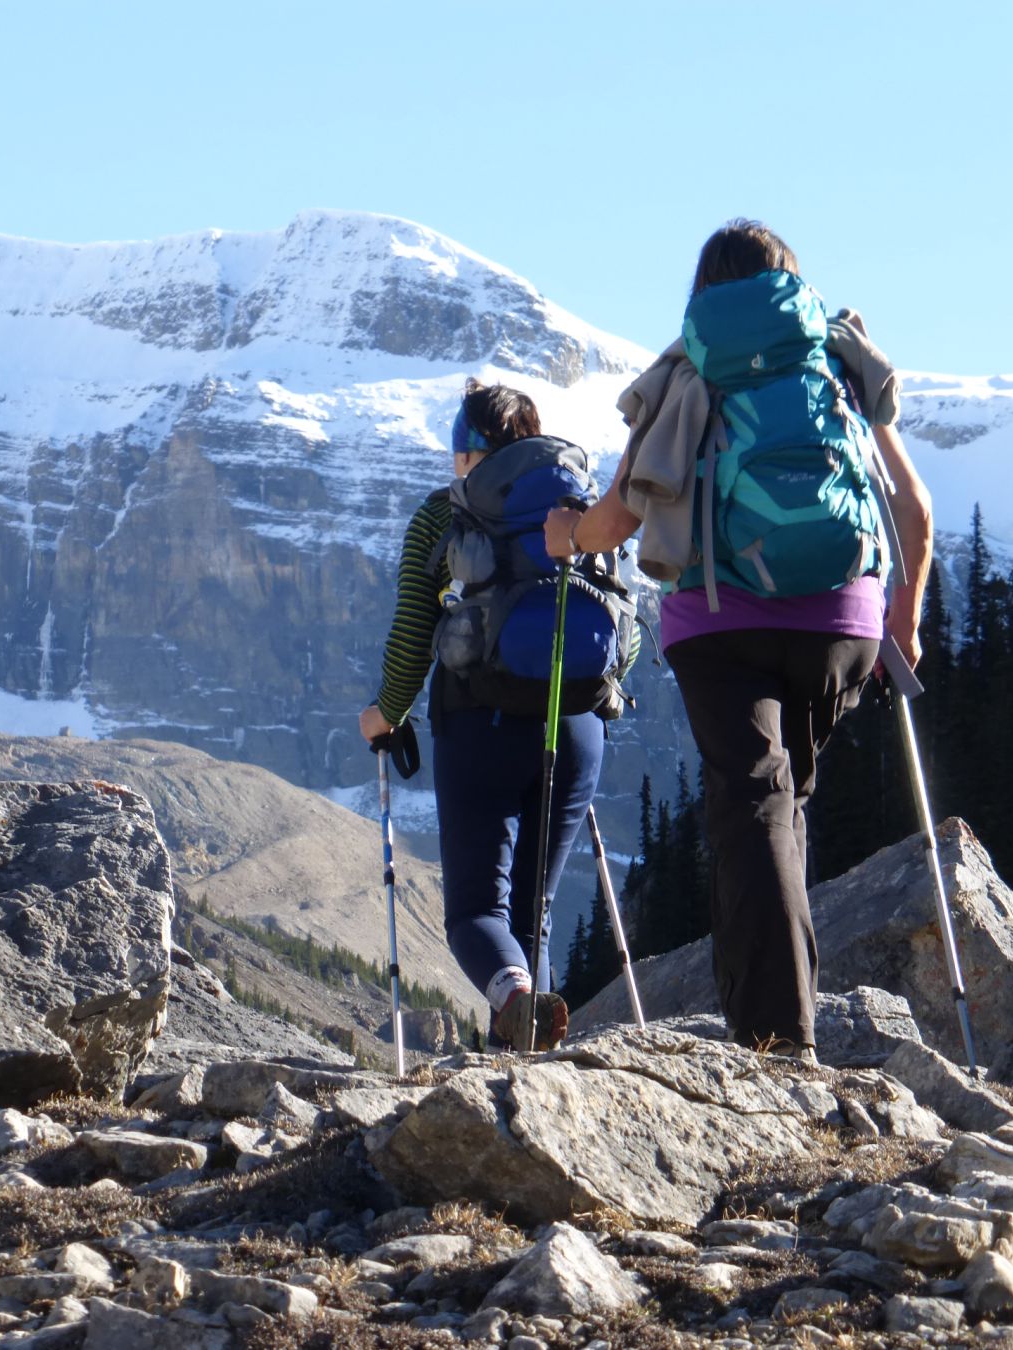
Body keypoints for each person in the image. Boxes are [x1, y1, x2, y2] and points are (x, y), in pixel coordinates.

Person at [545, 219, 933, 1063]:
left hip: (722, 620)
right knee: (786, 801)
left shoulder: (690, 368)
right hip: (843, 622)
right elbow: (915, 507)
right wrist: (900, 621)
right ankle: (779, 1015)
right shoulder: (837, 360)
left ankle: (775, 1040)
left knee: (752, 803)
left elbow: (620, 515)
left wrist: (566, 536)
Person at [360, 379, 613, 1052]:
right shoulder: (579, 508)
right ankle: (524, 1061)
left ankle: (517, 1003)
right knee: (534, 911)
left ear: (470, 450)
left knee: (477, 911)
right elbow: (627, 630)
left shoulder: (443, 513)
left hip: (481, 723)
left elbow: (413, 632)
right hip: (575, 724)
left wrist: (386, 713)